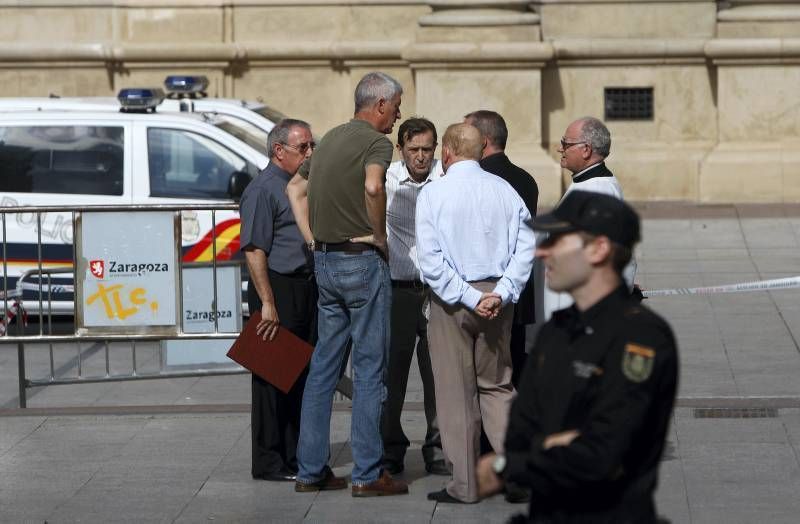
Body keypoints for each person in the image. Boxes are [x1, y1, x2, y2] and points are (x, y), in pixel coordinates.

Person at [476, 190, 679, 523]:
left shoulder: (641, 337)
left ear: (599, 249)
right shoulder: (556, 332)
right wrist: (555, 444)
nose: (542, 251)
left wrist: (509, 465)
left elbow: (605, 454)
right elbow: (518, 433)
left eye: (557, 240)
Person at [286, 72, 408, 497]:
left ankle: (310, 470)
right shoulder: (376, 143)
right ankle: (368, 472)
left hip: (326, 261)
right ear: (379, 105)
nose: (398, 115)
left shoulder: (332, 138)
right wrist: (379, 236)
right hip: (361, 262)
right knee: (371, 367)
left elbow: (294, 188)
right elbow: (375, 185)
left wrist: (311, 237)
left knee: (323, 367)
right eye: (396, 106)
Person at [415, 123, 536, 503]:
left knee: (456, 393)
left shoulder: (434, 194)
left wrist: (468, 296)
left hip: (454, 300)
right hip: (497, 299)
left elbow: (431, 262)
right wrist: (501, 292)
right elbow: (527, 247)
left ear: (447, 152)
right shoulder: (505, 191)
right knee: (498, 386)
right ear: (482, 150)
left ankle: (465, 484)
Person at [239, 118, 317, 482]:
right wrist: (267, 302)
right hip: (277, 289)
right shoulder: (263, 189)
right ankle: (270, 460)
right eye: (303, 148)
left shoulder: (299, 185)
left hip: (303, 286)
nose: (309, 153)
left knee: (297, 375)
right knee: (272, 379)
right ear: (279, 150)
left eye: (311, 146)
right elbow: (254, 249)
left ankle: (293, 454)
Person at [381, 117, 448, 477]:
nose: (421, 157)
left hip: (437, 292)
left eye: (427, 149)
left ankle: (437, 446)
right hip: (398, 290)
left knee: (437, 373)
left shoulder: (447, 178)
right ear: (401, 149)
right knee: (393, 375)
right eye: (413, 150)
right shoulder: (386, 178)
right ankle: (391, 447)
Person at [464, 110, 538, 387]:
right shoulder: (526, 178)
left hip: (486, 293)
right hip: (518, 292)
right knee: (511, 375)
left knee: (482, 380)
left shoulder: (478, 180)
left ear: (482, 141)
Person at [559, 116, 623, 200]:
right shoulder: (588, 183)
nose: (560, 149)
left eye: (565, 144)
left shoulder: (597, 191)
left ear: (586, 150)